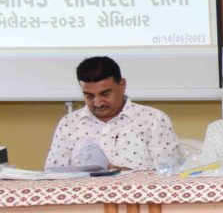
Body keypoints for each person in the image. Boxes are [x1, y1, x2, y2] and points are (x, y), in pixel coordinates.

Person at [45, 56, 180, 170]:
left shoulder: (153, 120)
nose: (98, 103)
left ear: (122, 85)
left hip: (137, 193)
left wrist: (129, 176)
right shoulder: (69, 124)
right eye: (89, 96)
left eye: (105, 94)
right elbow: (52, 176)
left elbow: (171, 174)